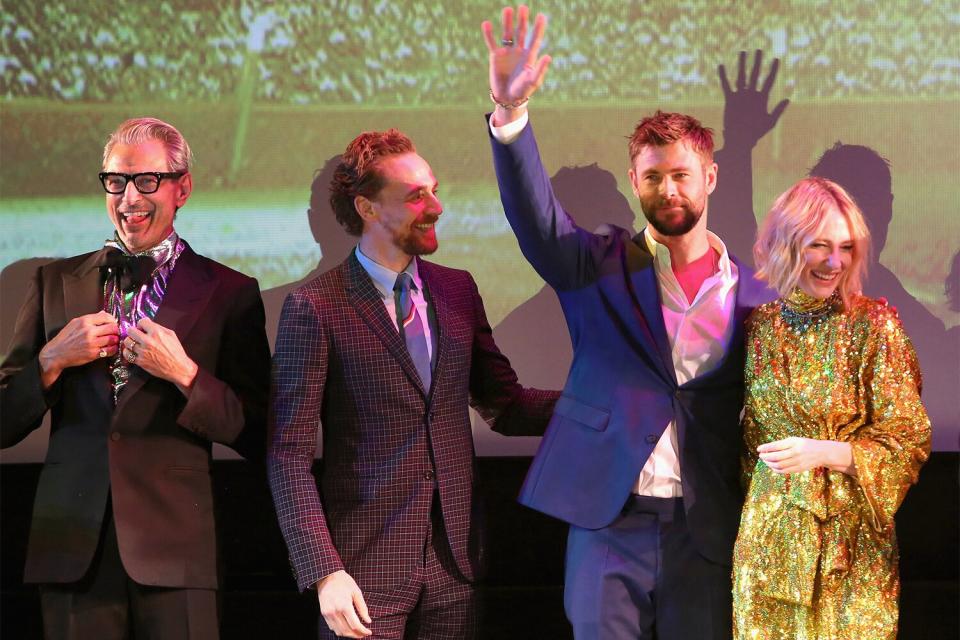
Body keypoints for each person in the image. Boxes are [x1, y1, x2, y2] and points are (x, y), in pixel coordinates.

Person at [481, 6, 773, 639]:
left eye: (681, 176)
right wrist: (510, 118)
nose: (668, 190)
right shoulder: (596, 265)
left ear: (710, 177)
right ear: (634, 181)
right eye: (652, 177)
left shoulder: (758, 298)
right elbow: (536, 217)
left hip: (710, 527)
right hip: (609, 520)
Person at [267, 128, 556, 640]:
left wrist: (600, 407)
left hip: (455, 571)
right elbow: (287, 454)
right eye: (417, 195)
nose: (437, 206)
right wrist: (323, 571)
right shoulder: (315, 307)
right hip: (359, 578)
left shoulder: (457, 289)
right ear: (367, 208)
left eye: (435, 189)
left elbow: (504, 406)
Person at [0, 117, 270, 638]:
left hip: (178, 553)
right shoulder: (52, 281)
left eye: (147, 181)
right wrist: (50, 361)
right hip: (71, 549)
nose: (129, 198)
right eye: (116, 181)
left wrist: (187, 375)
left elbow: (260, 430)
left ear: (182, 187)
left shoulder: (230, 292)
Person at [733, 177, 931, 639]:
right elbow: (747, 444)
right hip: (769, 545)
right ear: (785, 244)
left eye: (845, 247)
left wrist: (824, 452)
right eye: (819, 245)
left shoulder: (873, 326)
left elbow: (910, 437)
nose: (835, 261)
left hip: (851, 547)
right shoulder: (758, 328)